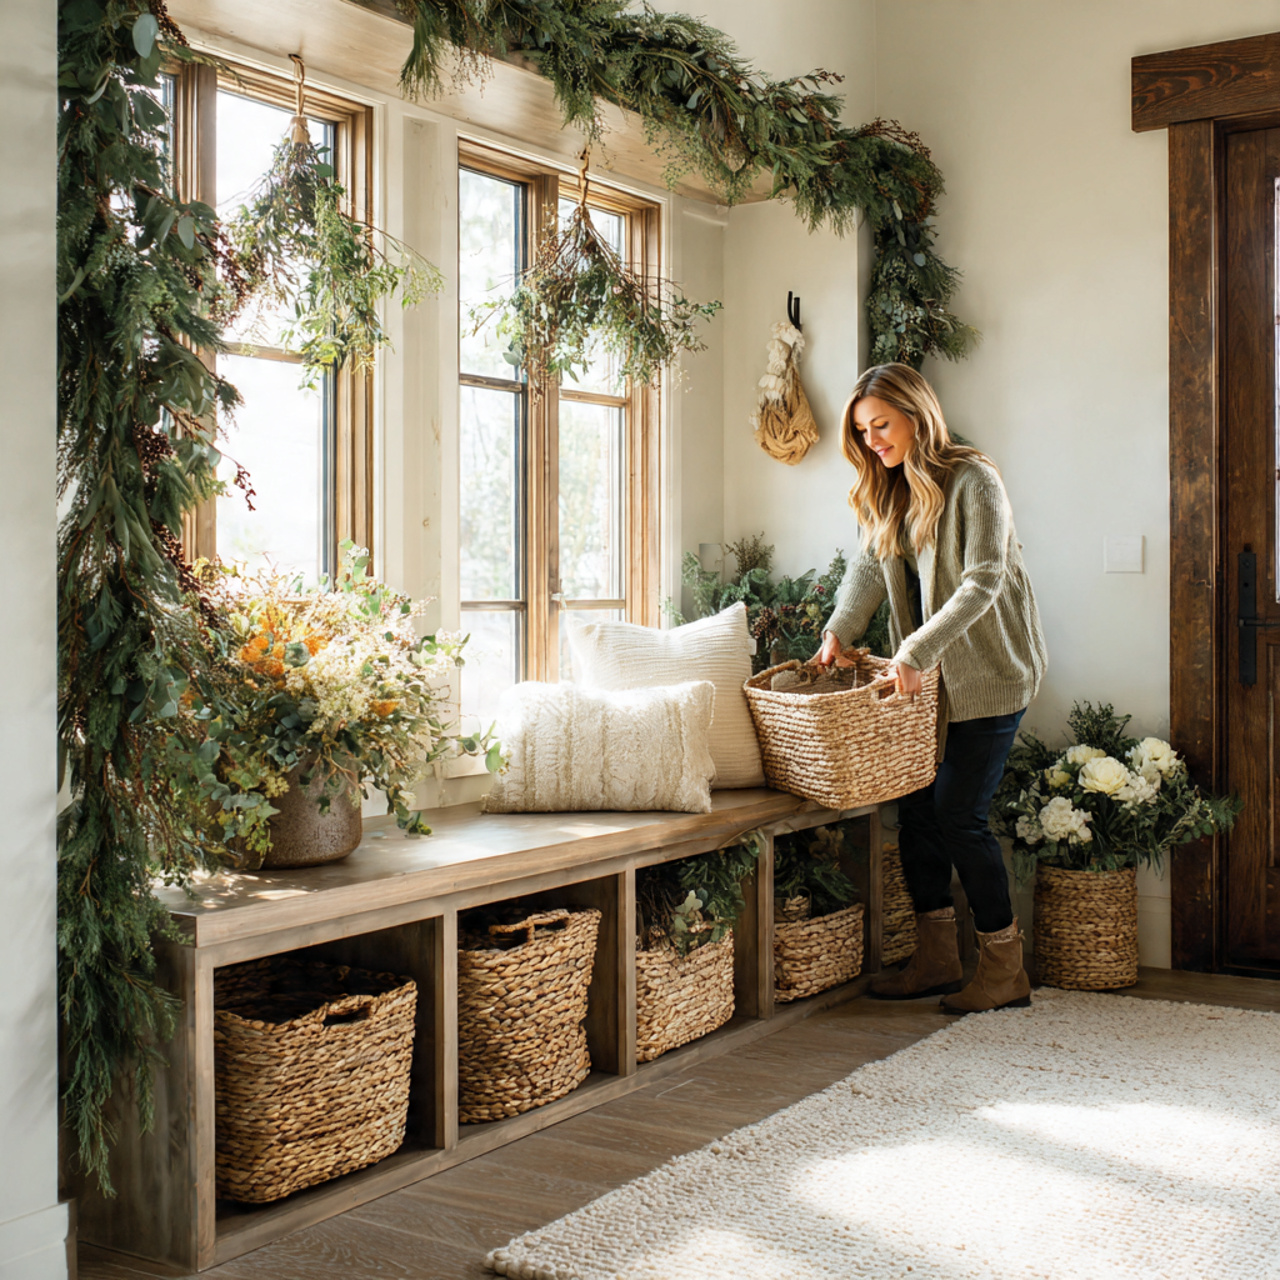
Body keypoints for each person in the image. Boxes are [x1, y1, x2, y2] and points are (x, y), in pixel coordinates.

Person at [817, 363, 1047, 1014]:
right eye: (862, 432)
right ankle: (937, 958)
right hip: (925, 683)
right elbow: (869, 565)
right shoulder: (888, 486)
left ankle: (1004, 969)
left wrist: (915, 650)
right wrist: (838, 631)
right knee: (916, 811)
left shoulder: (975, 479)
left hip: (990, 676)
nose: (872, 442)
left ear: (917, 416)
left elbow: (985, 579)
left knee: (958, 815)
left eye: (881, 426)